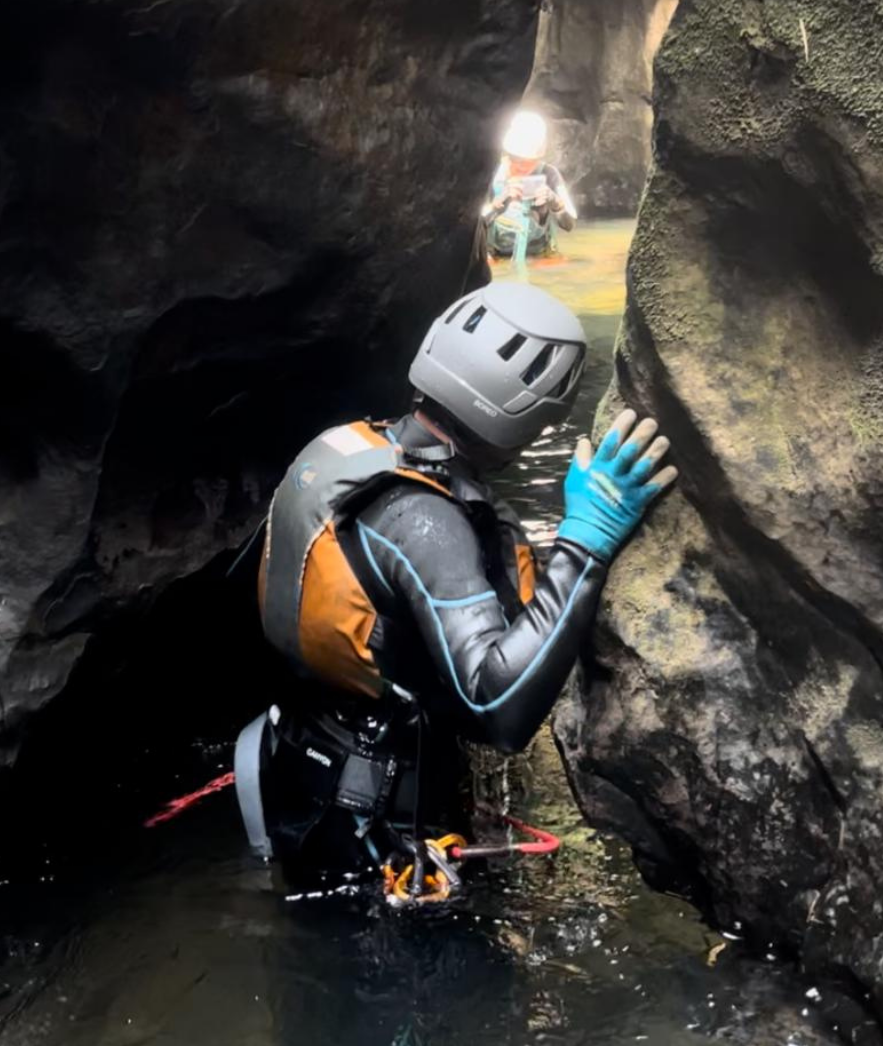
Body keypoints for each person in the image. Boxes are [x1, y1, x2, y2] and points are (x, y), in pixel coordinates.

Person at [233, 282, 676, 887]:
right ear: (533, 415)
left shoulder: (349, 450)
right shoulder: (426, 521)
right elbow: (499, 709)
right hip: (377, 830)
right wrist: (584, 543)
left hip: (307, 763)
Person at [482, 110, 577, 260]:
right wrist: (497, 205)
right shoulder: (492, 173)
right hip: (496, 255)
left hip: (537, 256)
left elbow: (570, 224)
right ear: (507, 154)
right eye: (516, 161)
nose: (522, 169)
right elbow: (470, 226)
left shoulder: (550, 174)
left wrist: (555, 203)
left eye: (528, 163)